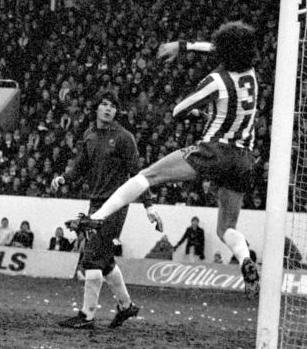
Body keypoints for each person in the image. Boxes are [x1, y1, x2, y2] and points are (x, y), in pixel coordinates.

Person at [68, 22, 261, 297]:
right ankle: (245, 260)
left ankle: (96, 217)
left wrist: (196, 113)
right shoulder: (251, 74)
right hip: (244, 160)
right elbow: (213, 48)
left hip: (215, 151)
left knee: (147, 176)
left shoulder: (216, 81)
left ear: (224, 50)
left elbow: (178, 110)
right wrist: (183, 46)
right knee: (227, 228)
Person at [51, 92, 157, 329]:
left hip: (115, 206)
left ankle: (87, 316)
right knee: (104, 261)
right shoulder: (89, 135)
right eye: (104, 105)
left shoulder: (124, 138)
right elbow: (80, 166)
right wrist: (64, 179)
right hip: (95, 204)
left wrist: (148, 204)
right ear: (97, 108)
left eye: (113, 106)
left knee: (91, 257)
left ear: (117, 112)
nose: (109, 109)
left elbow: (138, 175)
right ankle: (126, 306)